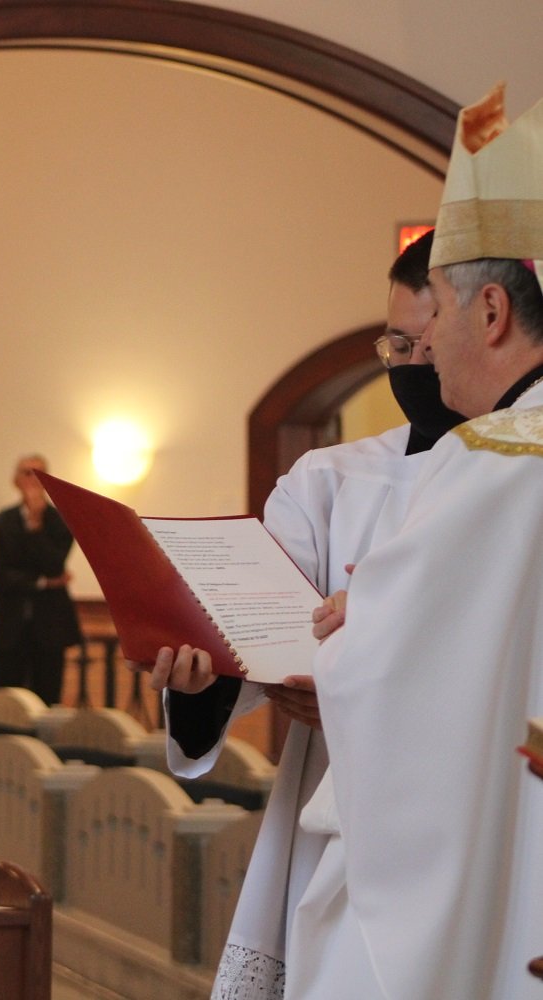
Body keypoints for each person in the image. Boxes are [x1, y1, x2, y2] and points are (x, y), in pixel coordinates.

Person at [140, 229, 464, 998]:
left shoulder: (516, 481)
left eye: (428, 345)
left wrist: (360, 672)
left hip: (457, 799)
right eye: (396, 345)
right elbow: (259, 624)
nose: (412, 367)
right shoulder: (331, 478)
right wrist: (201, 678)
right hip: (333, 793)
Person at [291, 84, 543, 999]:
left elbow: (385, 678)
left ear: (491, 315)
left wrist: (361, 623)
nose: (426, 345)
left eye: (435, 310)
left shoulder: (491, 463)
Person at [0, 454, 82, 704]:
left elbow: (54, 565)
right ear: (15, 480)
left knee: (48, 698)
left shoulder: (62, 520)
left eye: (39, 473)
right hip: (10, 626)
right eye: (26, 473)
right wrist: (42, 583)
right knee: (7, 701)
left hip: (49, 625)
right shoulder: (1, 522)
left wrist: (36, 525)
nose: (33, 480)